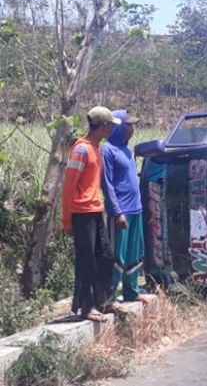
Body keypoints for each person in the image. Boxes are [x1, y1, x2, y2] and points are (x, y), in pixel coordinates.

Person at [62, 106, 121, 322]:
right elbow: (69, 186)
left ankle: (104, 300)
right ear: (103, 126)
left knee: (105, 256)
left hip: (95, 211)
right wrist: (66, 218)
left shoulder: (96, 148)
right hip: (81, 213)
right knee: (87, 261)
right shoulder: (81, 150)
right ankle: (87, 307)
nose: (112, 129)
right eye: (111, 125)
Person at [101, 110, 148, 304]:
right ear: (119, 127)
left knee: (134, 253)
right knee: (117, 255)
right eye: (129, 126)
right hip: (121, 212)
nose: (132, 130)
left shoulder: (127, 150)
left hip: (135, 210)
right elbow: (107, 183)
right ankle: (112, 296)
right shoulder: (108, 150)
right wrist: (116, 211)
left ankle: (131, 291)